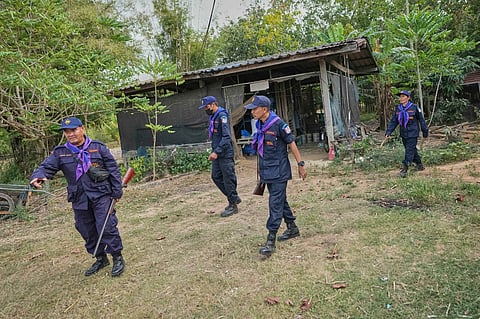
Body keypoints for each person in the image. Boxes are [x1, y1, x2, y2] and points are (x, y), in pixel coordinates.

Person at [30, 117, 126, 277]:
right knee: (86, 229)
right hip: (79, 198)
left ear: (82, 128)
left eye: (73, 130)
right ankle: (100, 258)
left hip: (101, 194)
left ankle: (117, 257)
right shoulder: (61, 152)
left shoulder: (98, 148)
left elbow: (113, 170)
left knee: (106, 226)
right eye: (66, 131)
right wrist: (39, 176)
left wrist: (117, 192)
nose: (70, 134)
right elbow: (46, 167)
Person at [244, 95, 307, 256]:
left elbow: (291, 142)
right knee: (280, 201)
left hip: (279, 172)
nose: (252, 112)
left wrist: (300, 165)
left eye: (255, 109)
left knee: (275, 204)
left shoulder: (278, 124)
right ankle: (292, 228)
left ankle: (270, 240)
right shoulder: (260, 124)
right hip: (266, 171)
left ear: (264, 109)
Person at [198, 96, 241, 217]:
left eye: (206, 107)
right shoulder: (213, 116)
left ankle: (233, 205)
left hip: (224, 153)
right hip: (217, 152)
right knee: (216, 176)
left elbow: (227, 137)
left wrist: (217, 152)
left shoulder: (222, 115)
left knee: (228, 178)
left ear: (212, 105)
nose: (205, 109)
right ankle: (233, 198)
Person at [385, 90, 429, 177]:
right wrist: (388, 132)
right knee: (412, 150)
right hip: (404, 133)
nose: (401, 98)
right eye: (400, 96)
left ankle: (404, 169)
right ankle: (419, 165)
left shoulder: (414, 107)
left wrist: (425, 131)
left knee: (409, 150)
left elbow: (421, 120)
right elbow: (394, 121)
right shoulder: (398, 109)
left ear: (408, 98)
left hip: (413, 133)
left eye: (403, 96)